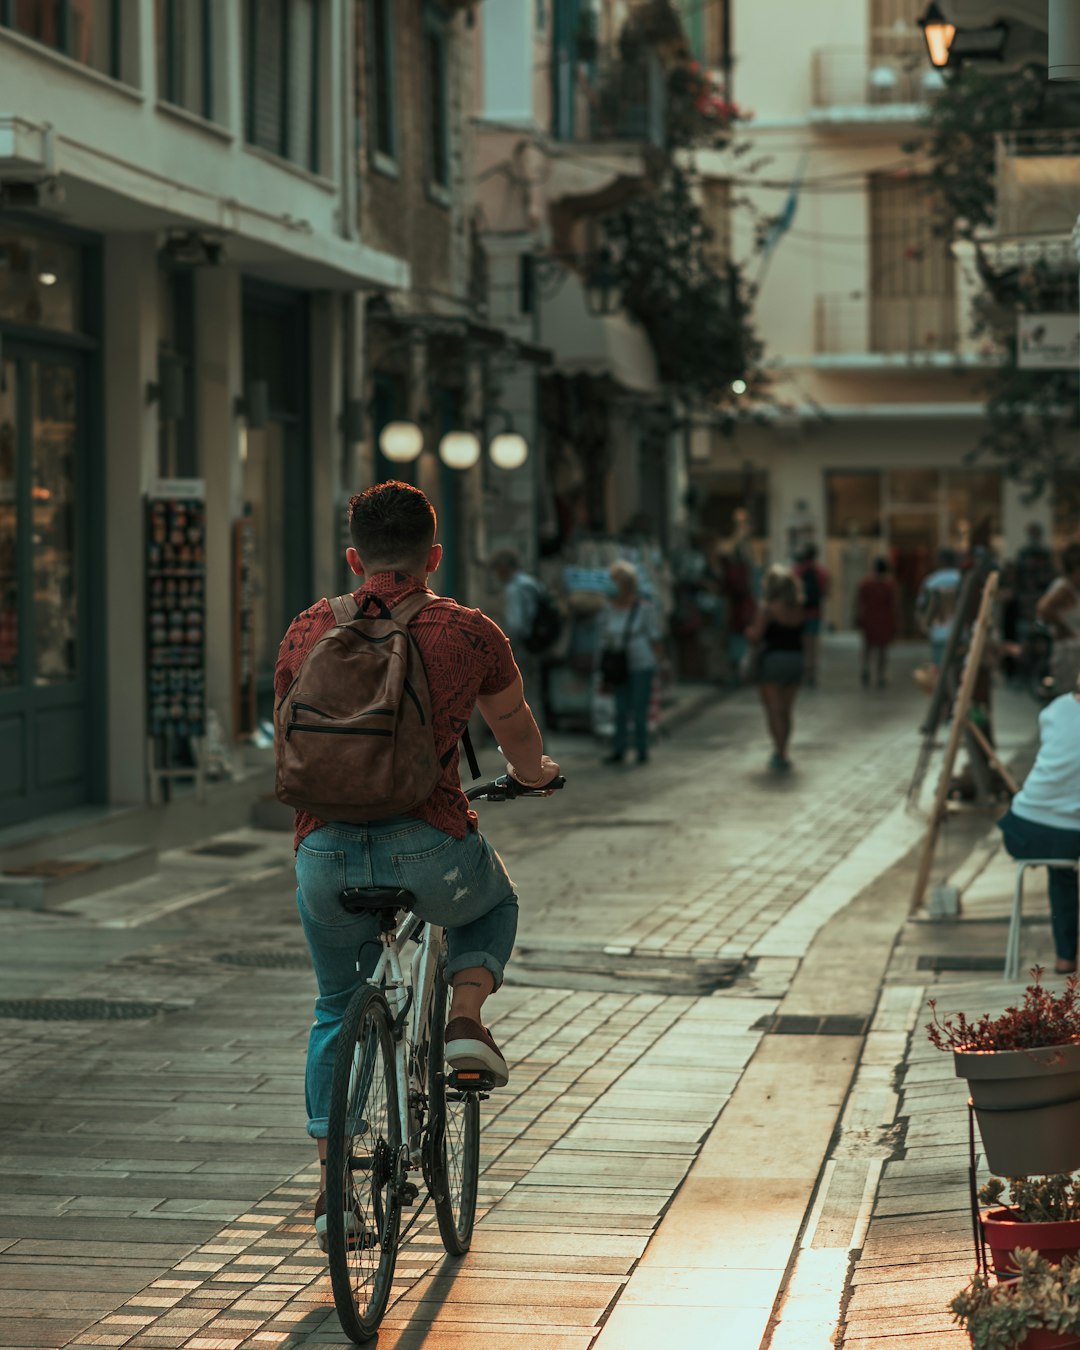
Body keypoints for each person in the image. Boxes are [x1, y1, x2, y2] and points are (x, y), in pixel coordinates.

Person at [274, 481, 560, 1246]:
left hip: (324, 852)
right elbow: (516, 733)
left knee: (338, 1003)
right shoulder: (468, 632)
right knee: (492, 903)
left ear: (354, 557)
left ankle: (335, 1192)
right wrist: (534, 776)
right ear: (434, 556)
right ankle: (466, 1017)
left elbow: (287, 733)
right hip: (427, 840)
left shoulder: (308, 627)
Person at [998, 678, 1080, 974]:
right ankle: (1066, 956)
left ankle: (1065, 957)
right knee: (1065, 865)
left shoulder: (1056, 709)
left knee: (1062, 869)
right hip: (1070, 834)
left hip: (1025, 829)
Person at [597, 559, 663, 766]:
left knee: (639, 709)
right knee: (620, 708)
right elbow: (603, 637)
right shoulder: (607, 609)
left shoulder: (644, 608)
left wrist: (661, 664)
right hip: (617, 664)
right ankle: (619, 749)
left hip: (641, 663)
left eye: (614, 581)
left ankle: (642, 750)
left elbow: (655, 638)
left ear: (625, 584)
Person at [746, 565, 805, 772]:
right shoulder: (798, 609)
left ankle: (779, 752)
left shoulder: (767, 609)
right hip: (795, 660)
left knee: (774, 711)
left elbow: (756, 635)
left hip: (773, 661)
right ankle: (785, 750)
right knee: (787, 711)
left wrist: (748, 632)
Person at [490, 550, 550, 731]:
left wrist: (505, 647)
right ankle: (540, 744)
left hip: (522, 647)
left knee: (523, 697)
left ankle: (529, 743)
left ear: (503, 569)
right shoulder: (532, 583)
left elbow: (516, 624)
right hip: (537, 645)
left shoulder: (514, 589)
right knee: (535, 695)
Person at [1036, 542, 1080, 698]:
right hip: (1067, 653)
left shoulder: (1071, 588)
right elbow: (1043, 609)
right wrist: (1066, 629)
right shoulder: (1063, 587)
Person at [855, 557, 900, 688]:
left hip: (869, 617)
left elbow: (858, 602)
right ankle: (880, 675)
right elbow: (894, 605)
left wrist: (858, 617)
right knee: (882, 649)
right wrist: (897, 621)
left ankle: (865, 668)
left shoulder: (865, 584)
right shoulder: (890, 585)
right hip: (884, 619)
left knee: (867, 646)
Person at [916, 546, 962, 667]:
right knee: (958, 668)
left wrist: (923, 623)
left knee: (938, 667)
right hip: (960, 630)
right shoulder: (961, 579)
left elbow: (922, 605)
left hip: (938, 629)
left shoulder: (931, 581)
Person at [793, 543, 829, 687]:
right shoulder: (821, 572)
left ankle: (802, 671)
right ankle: (812, 673)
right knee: (813, 644)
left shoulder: (797, 570)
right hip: (815, 612)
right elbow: (825, 592)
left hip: (799, 612)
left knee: (801, 643)